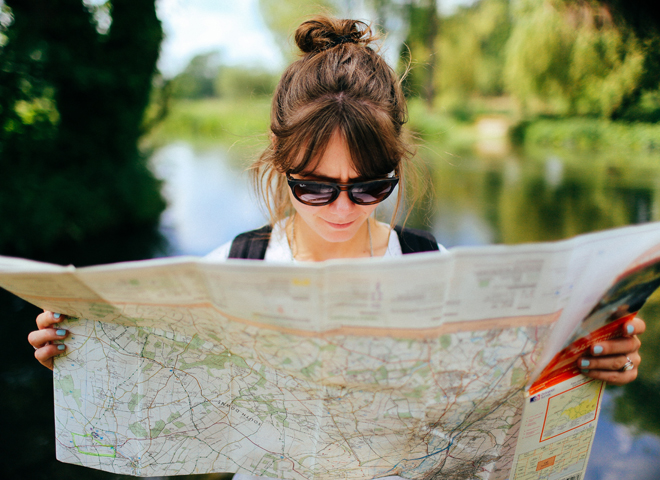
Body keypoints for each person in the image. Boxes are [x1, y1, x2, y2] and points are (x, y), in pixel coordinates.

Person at [28, 14, 644, 475]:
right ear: (280, 164)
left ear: (398, 167)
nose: (345, 210)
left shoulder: (437, 271)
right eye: (316, 188)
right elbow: (158, 384)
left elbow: (506, 399)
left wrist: (591, 362)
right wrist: (80, 350)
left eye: (370, 186)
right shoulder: (232, 268)